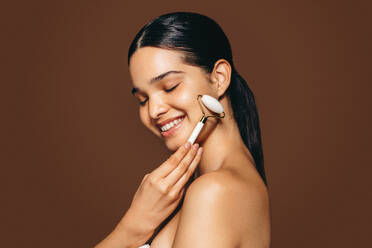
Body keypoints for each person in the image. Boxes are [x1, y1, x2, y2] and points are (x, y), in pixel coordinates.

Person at [95, 11, 271, 248]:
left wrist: (133, 227)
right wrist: (134, 224)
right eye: (143, 100)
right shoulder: (196, 191)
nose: (154, 110)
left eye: (170, 87)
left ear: (219, 78)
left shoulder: (214, 192)